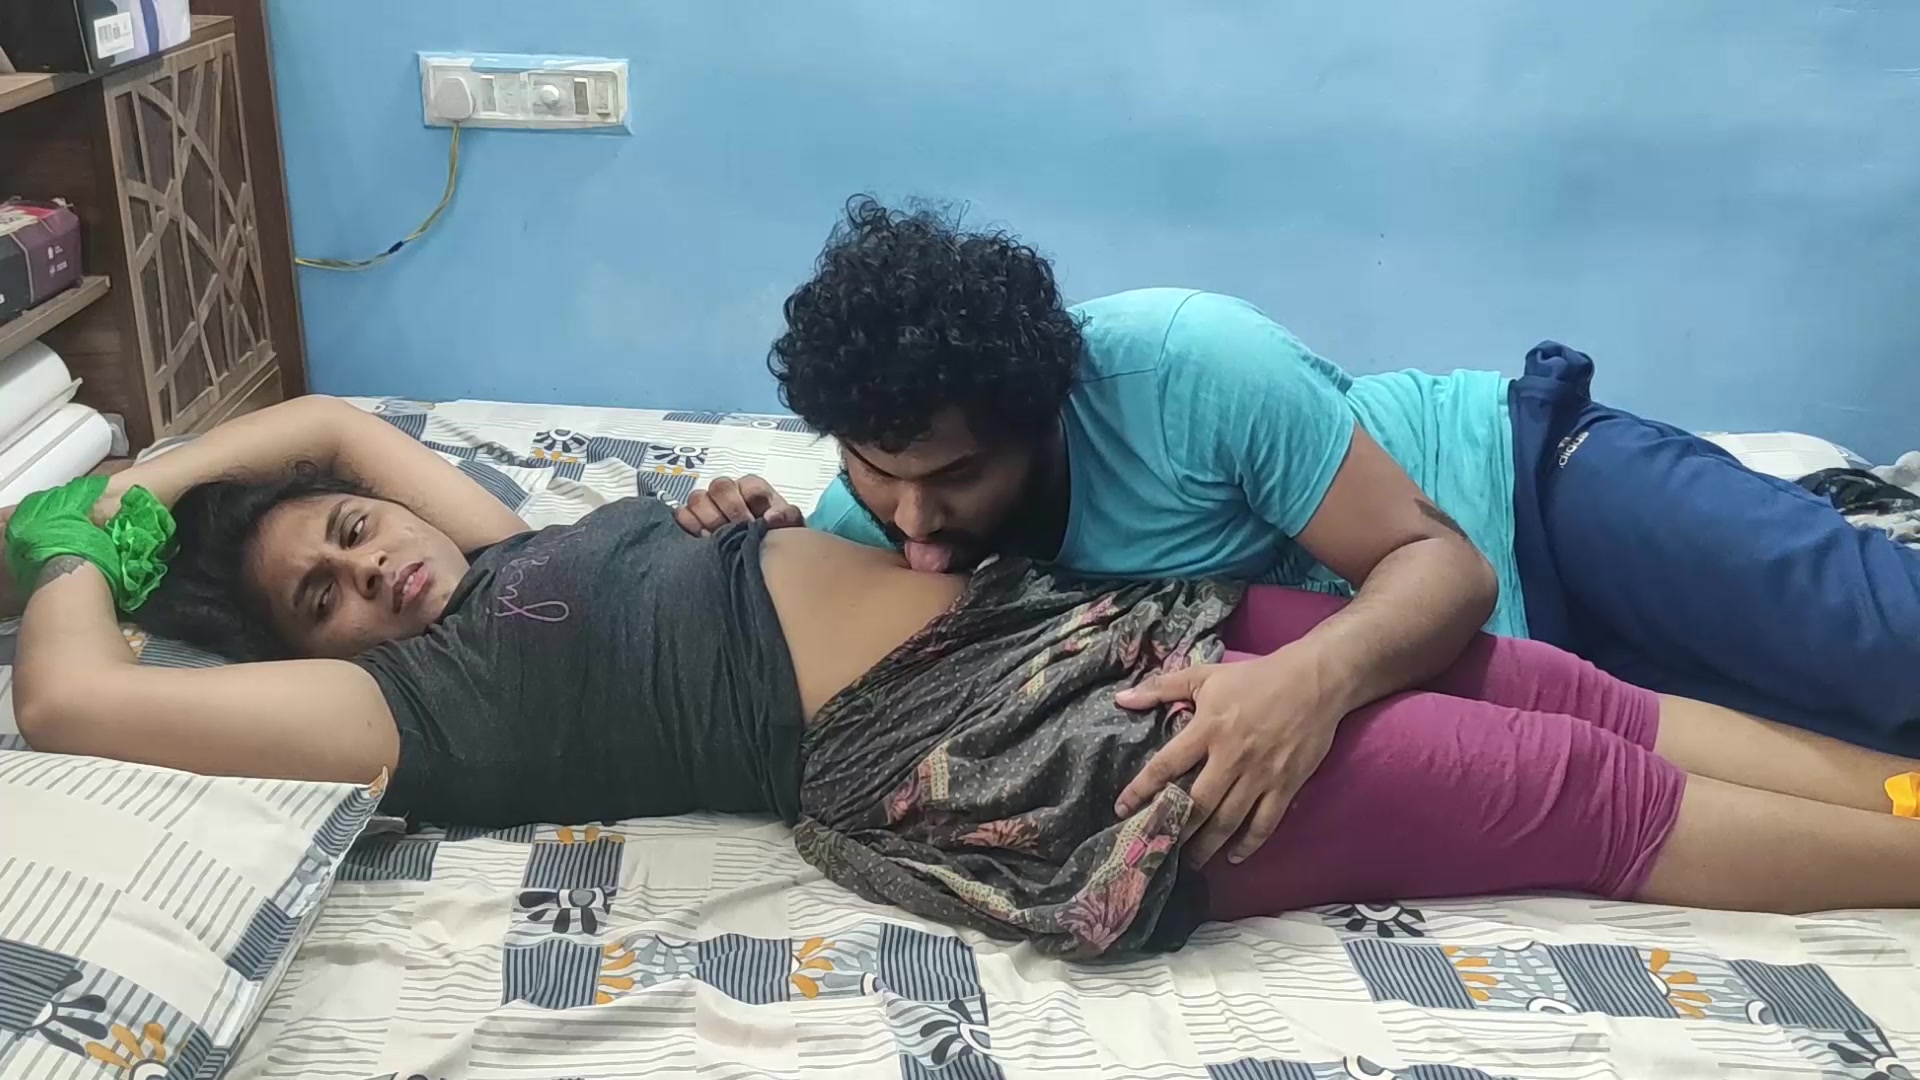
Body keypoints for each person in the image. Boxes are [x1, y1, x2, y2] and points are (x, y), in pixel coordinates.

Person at [7, 396, 1920, 958]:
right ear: (315, 661)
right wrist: (86, 534)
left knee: (1545, 690)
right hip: (1012, 753)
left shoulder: (508, 548)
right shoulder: (418, 712)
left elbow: (335, 418)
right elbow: (73, 704)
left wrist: (177, 473)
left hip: (1071, 624)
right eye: (328, 594)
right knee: (1573, 799)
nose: (369, 562)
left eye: (349, 531)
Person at [684, 197, 1920, 860]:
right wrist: (740, 535)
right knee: (1858, 752)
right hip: (1536, 667)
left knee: (1890, 653)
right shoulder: (869, 524)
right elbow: (761, 637)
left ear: (1040, 414)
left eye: (956, 477)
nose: (916, 523)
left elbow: (1443, 565)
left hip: (1536, 489)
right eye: (875, 473)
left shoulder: (1190, 364)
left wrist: (1305, 685)